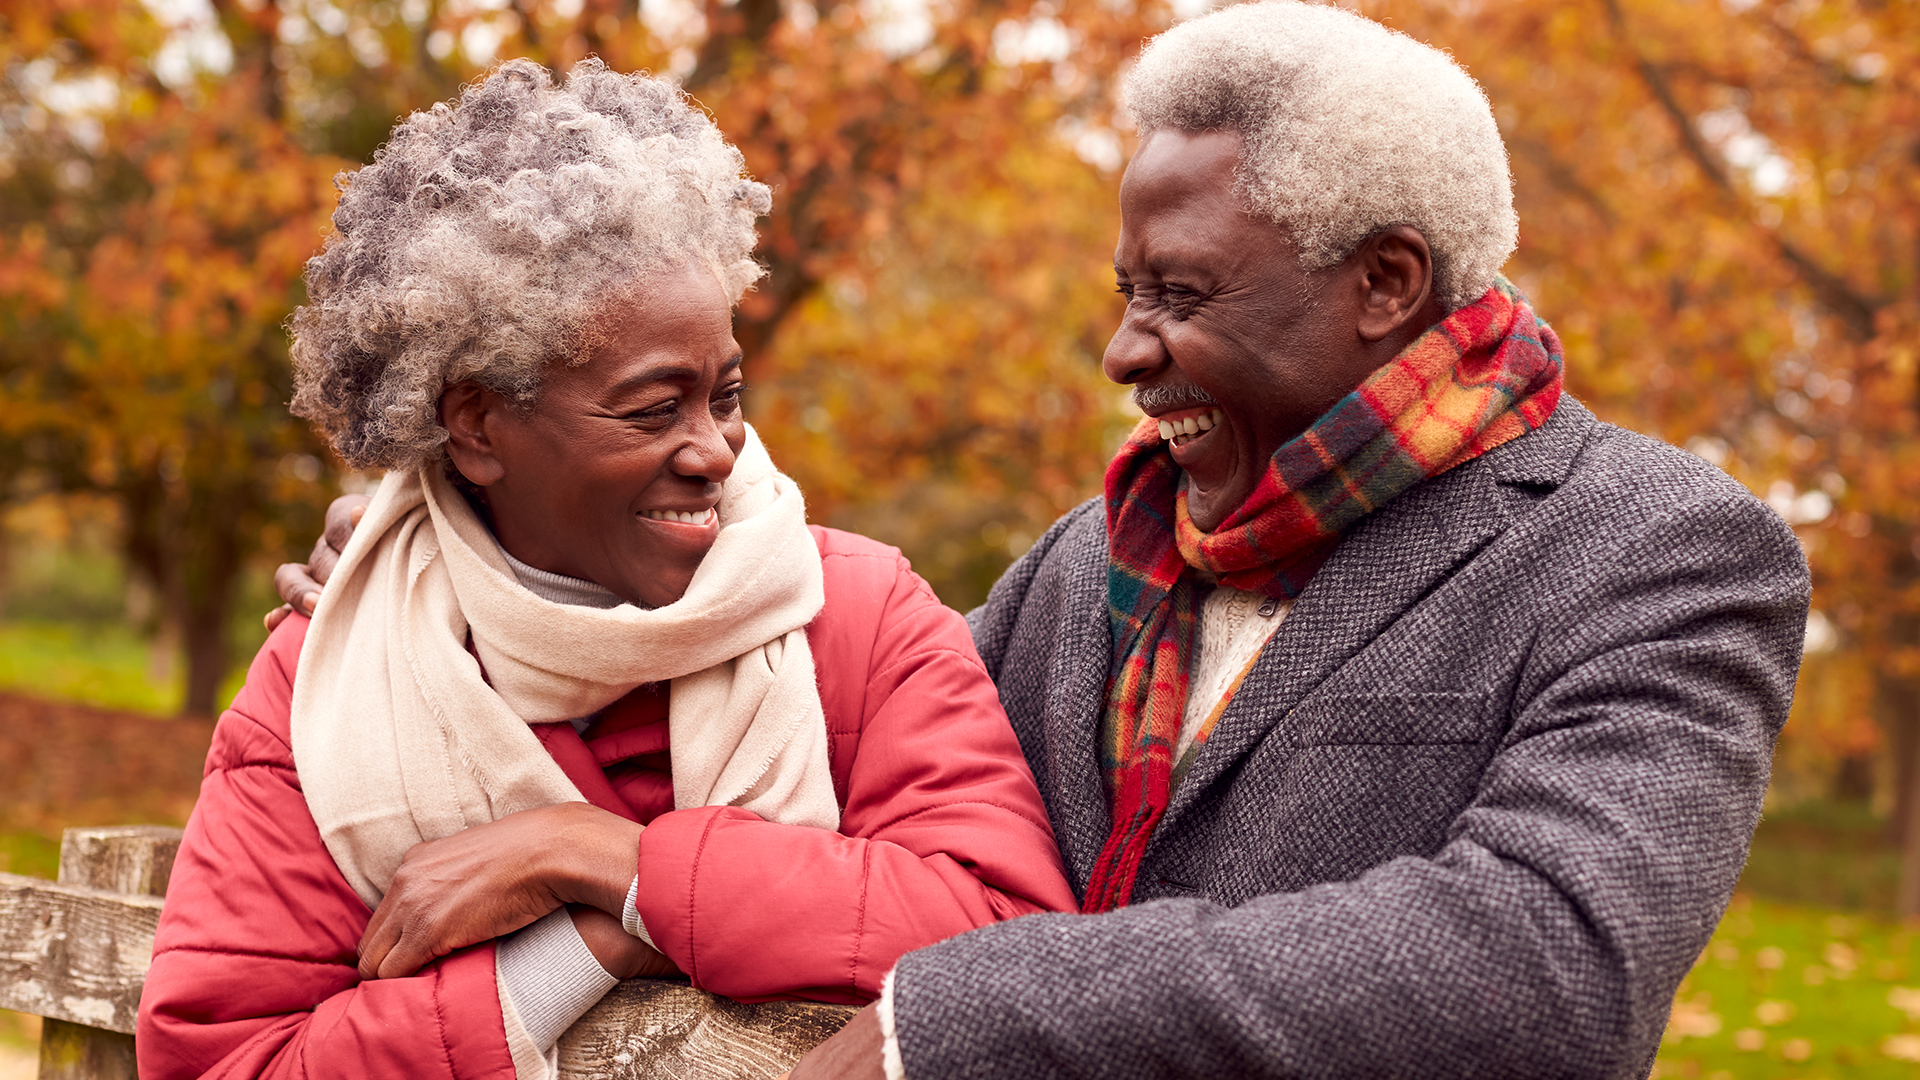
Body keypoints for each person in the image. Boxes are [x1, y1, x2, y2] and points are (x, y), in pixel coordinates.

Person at [284, 6, 1809, 1077]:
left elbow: (1543, 970)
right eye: (1125, 292)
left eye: (1182, 295)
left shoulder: (1655, 552)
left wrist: (969, 1018)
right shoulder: (1096, 562)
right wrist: (462, 572)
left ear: (1389, 281)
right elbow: (834, 723)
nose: (1126, 353)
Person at [137, 59, 1076, 1080]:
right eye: (650, 408)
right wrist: (579, 950)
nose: (712, 450)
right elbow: (225, 1058)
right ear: (479, 426)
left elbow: (1003, 937)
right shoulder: (332, 672)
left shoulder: (857, 612)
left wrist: (603, 862)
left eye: (722, 394)